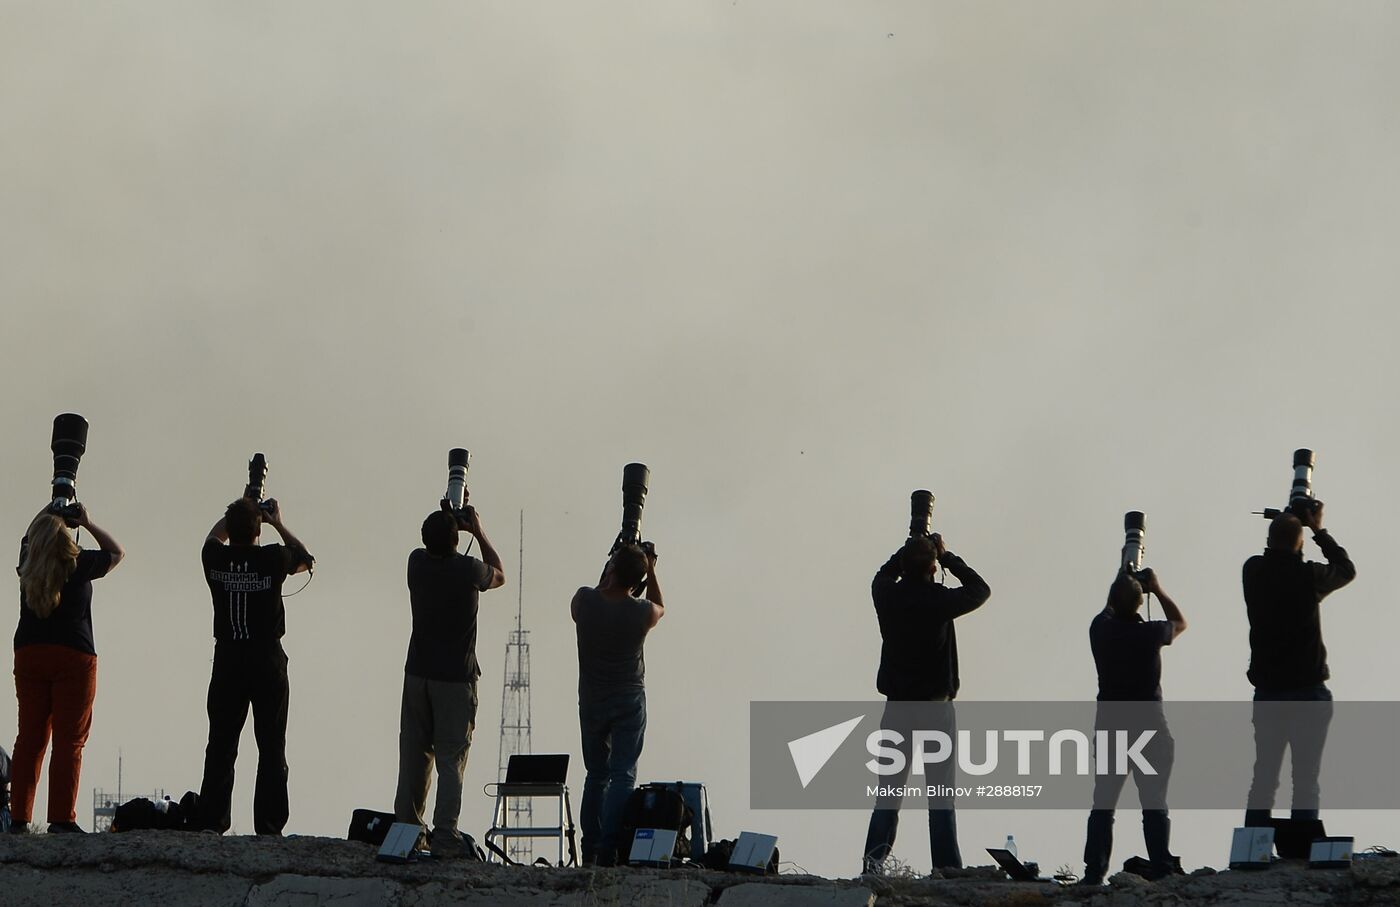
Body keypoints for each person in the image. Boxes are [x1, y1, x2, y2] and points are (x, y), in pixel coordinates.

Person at [862, 532, 989, 874]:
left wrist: (907, 549)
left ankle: (873, 866)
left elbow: (882, 576)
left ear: (903, 566)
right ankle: (947, 870)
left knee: (888, 795)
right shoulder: (940, 600)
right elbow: (980, 590)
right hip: (935, 708)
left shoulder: (887, 595)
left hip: (897, 708)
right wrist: (947, 557)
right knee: (941, 796)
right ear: (933, 567)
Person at [195, 496, 313, 835]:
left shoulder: (214, 558)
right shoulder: (273, 558)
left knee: (220, 742)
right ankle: (269, 824)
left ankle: (213, 820)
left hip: (228, 656)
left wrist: (236, 515)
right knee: (272, 745)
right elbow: (304, 559)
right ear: (257, 529)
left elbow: (212, 539)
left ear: (231, 530)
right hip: (267, 659)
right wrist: (275, 522)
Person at [394, 501, 504, 853]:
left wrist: (451, 522)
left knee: (414, 754)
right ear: (457, 538)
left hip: (418, 675)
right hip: (456, 679)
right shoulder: (469, 570)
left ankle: (408, 832)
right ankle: (445, 834)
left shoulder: (416, 562)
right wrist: (477, 529)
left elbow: (438, 539)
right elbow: (498, 574)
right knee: (450, 759)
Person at [9, 505, 124, 834]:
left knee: (29, 739)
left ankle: (19, 818)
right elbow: (116, 552)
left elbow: (28, 535)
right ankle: (61, 819)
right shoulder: (78, 562)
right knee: (69, 740)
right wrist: (86, 522)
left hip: (29, 653)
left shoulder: (28, 564)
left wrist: (52, 508)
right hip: (74, 656)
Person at [1243, 504, 1355, 828]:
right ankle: (1302, 847)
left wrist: (1290, 524)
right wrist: (1318, 529)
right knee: (1306, 778)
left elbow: (1277, 557)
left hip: (1268, 694)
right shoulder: (1308, 577)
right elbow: (1345, 569)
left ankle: (1253, 845)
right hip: (1308, 691)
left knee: (1264, 777)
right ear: (1300, 542)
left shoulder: (1252, 571)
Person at [1080, 569, 1187, 886]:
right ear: (1140, 605)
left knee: (1104, 804)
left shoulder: (1100, 630)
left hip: (1112, 726)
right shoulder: (1150, 634)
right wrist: (1157, 588)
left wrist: (1122, 574)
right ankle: (1162, 867)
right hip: (1149, 727)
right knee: (1154, 803)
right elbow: (1180, 623)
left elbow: (1108, 608)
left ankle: (1093, 872)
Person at [571, 542, 663, 865]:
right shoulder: (640, 613)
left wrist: (615, 566)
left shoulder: (584, 600)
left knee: (595, 774)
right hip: (628, 699)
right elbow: (659, 606)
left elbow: (598, 593)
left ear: (610, 570)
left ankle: (589, 848)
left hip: (592, 701)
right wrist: (649, 568)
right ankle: (609, 850)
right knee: (623, 775)